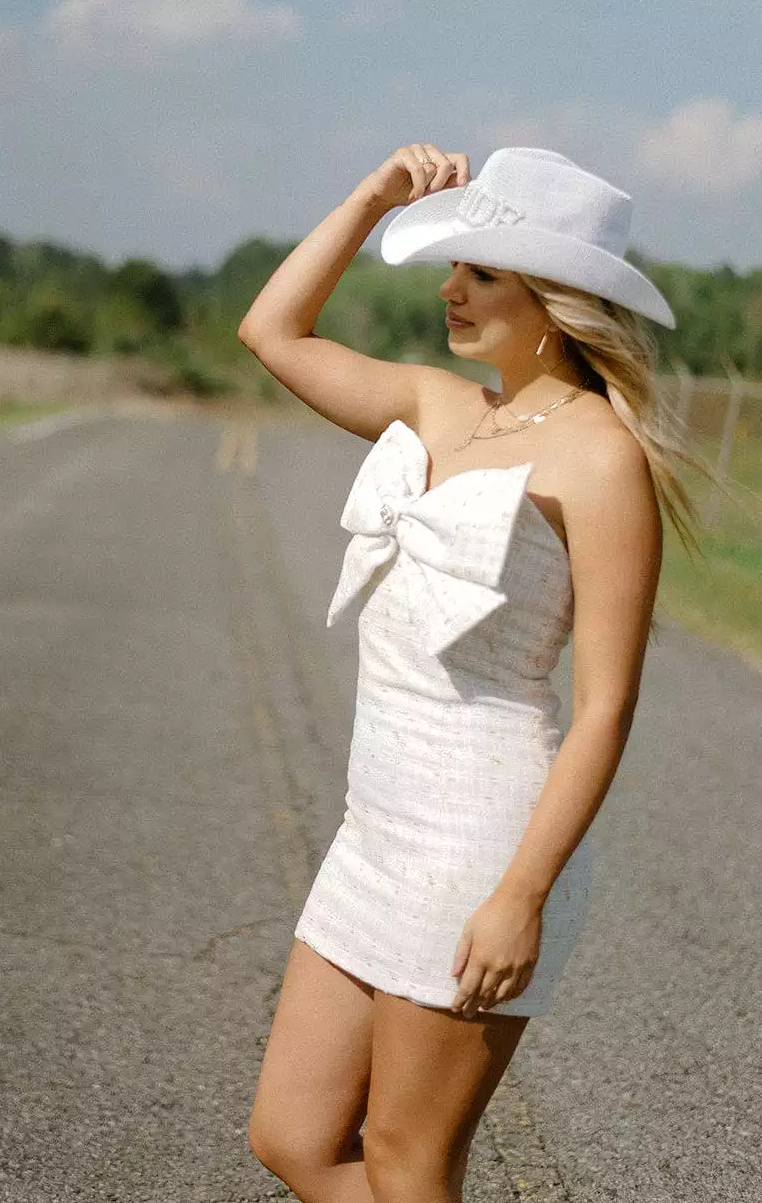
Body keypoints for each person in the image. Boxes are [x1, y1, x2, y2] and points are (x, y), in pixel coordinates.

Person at [237, 144, 701, 1203]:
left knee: (408, 1161)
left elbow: (607, 707)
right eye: (456, 267)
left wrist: (520, 895)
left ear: (556, 299)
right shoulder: (440, 405)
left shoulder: (601, 458)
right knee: (294, 1138)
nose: (449, 289)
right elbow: (272, 333)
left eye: (481, 272)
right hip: (377, 828)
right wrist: (368, 199)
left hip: (481, 846)